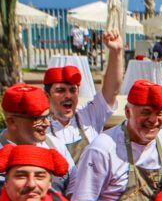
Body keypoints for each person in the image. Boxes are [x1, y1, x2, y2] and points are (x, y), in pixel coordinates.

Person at [0, 84, 77, 201]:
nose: (46, 123)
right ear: (11, 122)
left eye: (47, 116)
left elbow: (75, 192)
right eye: (37, 118)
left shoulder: (56, 146)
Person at [46, 31, 123, 163]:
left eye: (72, 90)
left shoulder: (89, 115)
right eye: (60, 90)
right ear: (47, 96)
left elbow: (111, 90)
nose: (68, 96)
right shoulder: (42, 128)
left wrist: (116, 53)